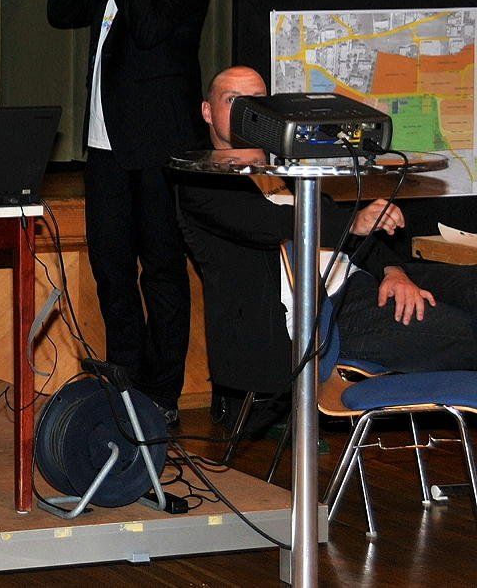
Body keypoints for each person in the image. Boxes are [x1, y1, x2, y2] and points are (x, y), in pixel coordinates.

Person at [177, 67, 477, 403]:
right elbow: (269, 224)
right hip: (327, 313)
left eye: (256, 102)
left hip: (365, 279)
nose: (247, 112)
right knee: (462, 332)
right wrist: (355, 222)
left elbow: (345, 228)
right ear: (207, 111)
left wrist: (393, 272)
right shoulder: (201, 180)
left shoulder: (287, 170)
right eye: (233, 100)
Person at [46, 0, 210, 425]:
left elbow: (149, 29)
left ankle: (162, 397)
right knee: (111, 269)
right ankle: (124, 389)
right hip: (104, 145)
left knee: (161, 271)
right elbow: (60, 12)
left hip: (159, 143)